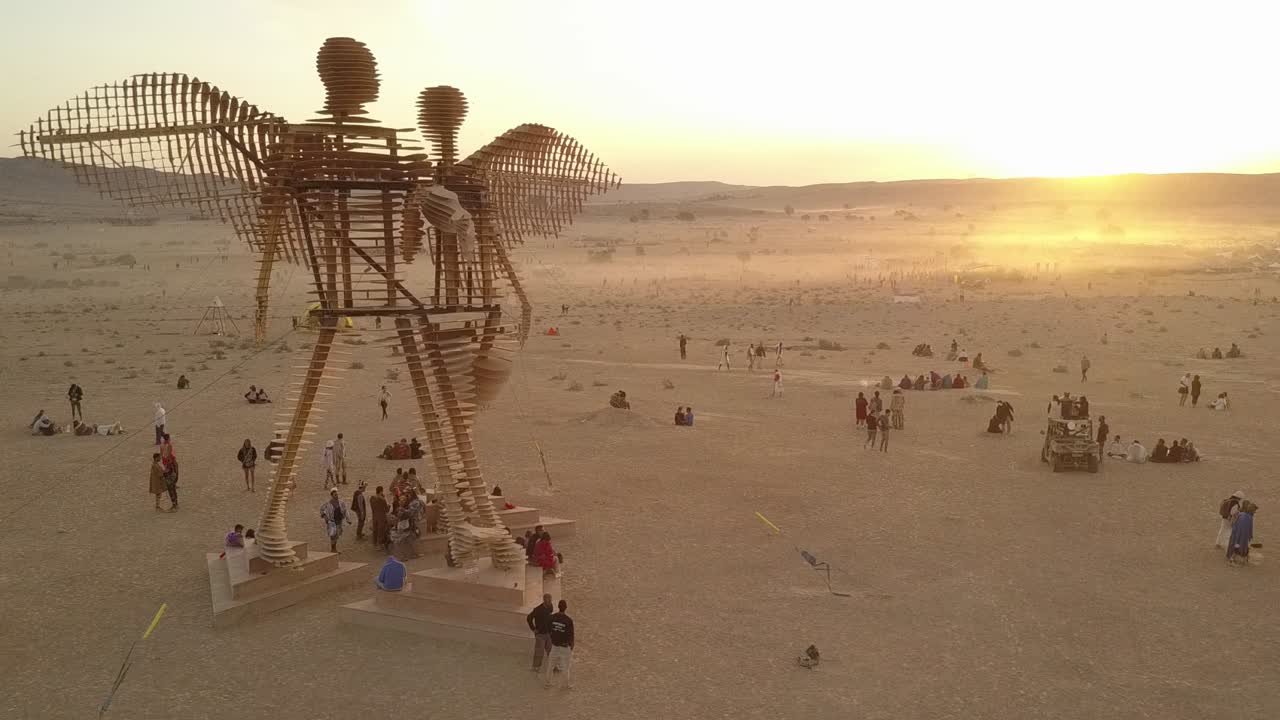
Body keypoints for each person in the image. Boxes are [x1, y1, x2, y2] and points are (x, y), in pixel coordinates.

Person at [544, 599, 575, 690]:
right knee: (565, 667)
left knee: (550, 666)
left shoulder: (552, 617)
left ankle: (547, 683)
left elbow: (549, 629)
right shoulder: (568, 620)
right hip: (565, 647)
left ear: (558, 607)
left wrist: (553, 636)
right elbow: (571, 635)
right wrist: (571, 646)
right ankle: (565, 685)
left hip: (554, 646)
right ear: (565, 608)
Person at [527, 593, 555, 672]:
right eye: (548, 600)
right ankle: (535, 667)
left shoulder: (550, 607)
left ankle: (554, 666)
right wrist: (533, 629)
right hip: (540, 635)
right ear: (544, 600)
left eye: (550, 600)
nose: (550, 601)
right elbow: (529, 618)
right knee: (539, 652)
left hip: (548, 633)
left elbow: (550, 615)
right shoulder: (538, 609)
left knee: (551, 650)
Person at [319, 488, 350, 553]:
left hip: (339, 521)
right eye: (335, 495)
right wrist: (325, 516)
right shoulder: (328, 503)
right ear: (332, 495)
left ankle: (334, 548)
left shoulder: (341, 502)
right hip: (332, 522)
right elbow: (321, 509)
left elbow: (345, 510)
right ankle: (333, 549)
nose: (336, 496)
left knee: (337, 535)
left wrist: (348, 519)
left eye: (337, 494)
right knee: (333, 535)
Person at [370, 486, 391, 551]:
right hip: (381, 517)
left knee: (375, 530)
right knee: (381, 531)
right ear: (381, 491)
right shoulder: (382, 499)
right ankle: (379, 544)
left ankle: (374, 543)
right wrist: (389, 506)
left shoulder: (372, 498)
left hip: (375, 516)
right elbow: (387, 510)